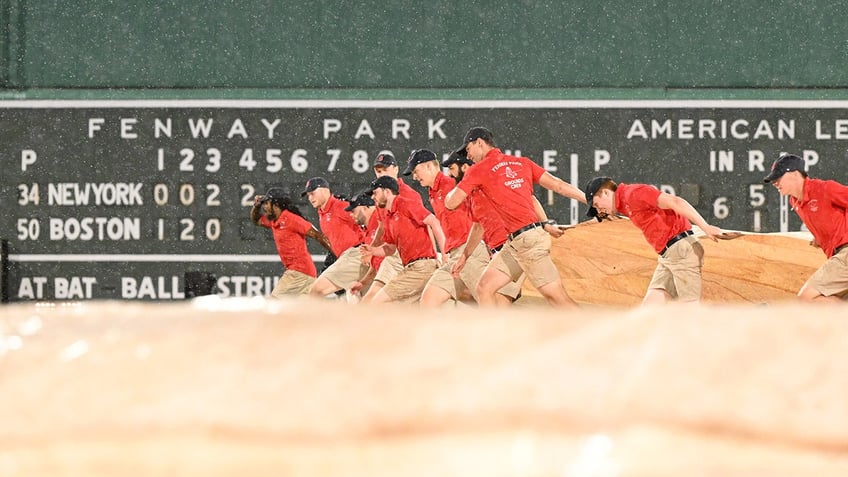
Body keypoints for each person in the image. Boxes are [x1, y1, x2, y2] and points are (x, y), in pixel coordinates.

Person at [444, 127, 584, 307]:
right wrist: (587, 199)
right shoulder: (521, 163)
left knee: (556, 297)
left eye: (468, 149)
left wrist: (461, 181)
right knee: (485, 287)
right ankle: (495, 334)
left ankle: (599, 334)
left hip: (527, 242)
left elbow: (450, 203)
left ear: (479, 142)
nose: (468, 155)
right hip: (516, 243)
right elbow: (558, 185)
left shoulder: (478, 170)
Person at [585, 176, 722, 304]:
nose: (599, 210)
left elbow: (676, 201)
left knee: (688, 310)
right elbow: (607, 216)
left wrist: (705, 227)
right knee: (649, 311)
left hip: (681, 250)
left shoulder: (633, 193)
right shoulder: (623, 203)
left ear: (606, 193)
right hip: (668, 256)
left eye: (597, 205)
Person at [403, 149, 490, 306]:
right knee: (428, 301)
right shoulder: (432, 192)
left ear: (429, 166)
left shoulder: (452, 184)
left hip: (470, 252)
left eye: (416, 171)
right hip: (454, 256)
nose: (415, 177)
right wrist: (446, 253)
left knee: (491, 303)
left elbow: (482, 211)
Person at [442, 152, 525, 305]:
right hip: (497, 253)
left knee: (495, 300)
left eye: (451, 168)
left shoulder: (491, 182)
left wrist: (544, 224)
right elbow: (478, 226)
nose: (449, 174)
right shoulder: (475, 193)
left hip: (511, 248)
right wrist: (464, 257)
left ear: (466, 167)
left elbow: (530, 199)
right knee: (489, 299)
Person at [763, 153, 848, 302]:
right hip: (837, 255)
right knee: (817, 302)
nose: (774, 182)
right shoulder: (794, 201)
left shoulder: (825, 188)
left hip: (845, 254)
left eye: (778, 177)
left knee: (806, 298)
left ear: (795, 174)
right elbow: (829, 218)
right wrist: (820, 237)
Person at [359, 175, 447, 304]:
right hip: (413, 268)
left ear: (387, 191)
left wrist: (444, 255)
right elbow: (390, 249)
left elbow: (434, 221)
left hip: (422, 267)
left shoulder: (405, 204)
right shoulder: (388, 217)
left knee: (377, 303)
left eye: (375, 193)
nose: (373, 197)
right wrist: (372, 250)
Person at [250, 187, 334, 297]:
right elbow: (256, 220)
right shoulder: (274, 221)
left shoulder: (292, 219)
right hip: (302, 273)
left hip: (299, 272)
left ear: (276, 205)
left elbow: (318, 236)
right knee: (304, 311)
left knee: (274, 303)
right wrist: (256, 206)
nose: (264, 207)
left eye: (266, 203)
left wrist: (336, 253)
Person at [357, 153, 414, 303]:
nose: (381, 173)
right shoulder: (379, 195)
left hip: (411, 255)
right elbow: (382, 227)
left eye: (385, 169)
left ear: (396, 169)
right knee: (372, 300)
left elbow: (426, 224)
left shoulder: (409, 194)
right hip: (393, 255)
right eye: (378, 171)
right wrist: (371, 250)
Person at [302, 177, 368, 298]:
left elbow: (366, 219)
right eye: (308, 195)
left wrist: (371, 249)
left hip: (356, 254)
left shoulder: (339, 206)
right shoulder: (322, 212)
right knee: (361, 303)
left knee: (315, 291)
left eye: (312, 193)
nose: (310, 198)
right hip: (347, 257)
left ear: (325, 191)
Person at [344, 190, 383, 298]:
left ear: (365, 208)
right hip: (381, 276)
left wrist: (373, 255)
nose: (350, 214)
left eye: (353, 211)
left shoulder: (381, 221)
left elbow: (392, 249)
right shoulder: (366, 228)